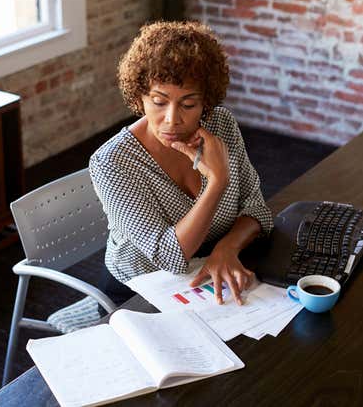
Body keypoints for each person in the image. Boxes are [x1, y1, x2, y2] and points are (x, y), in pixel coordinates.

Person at [89, 21, 273, 307]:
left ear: (205, 103)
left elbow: (257, 208)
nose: (172, 119)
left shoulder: (221, 125)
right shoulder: (112, 162)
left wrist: (227, 247)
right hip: (139, 290)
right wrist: (217, 182)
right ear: (140, 97)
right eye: (159, 102)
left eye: (188, 105)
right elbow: (170, 256)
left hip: (211, 268)